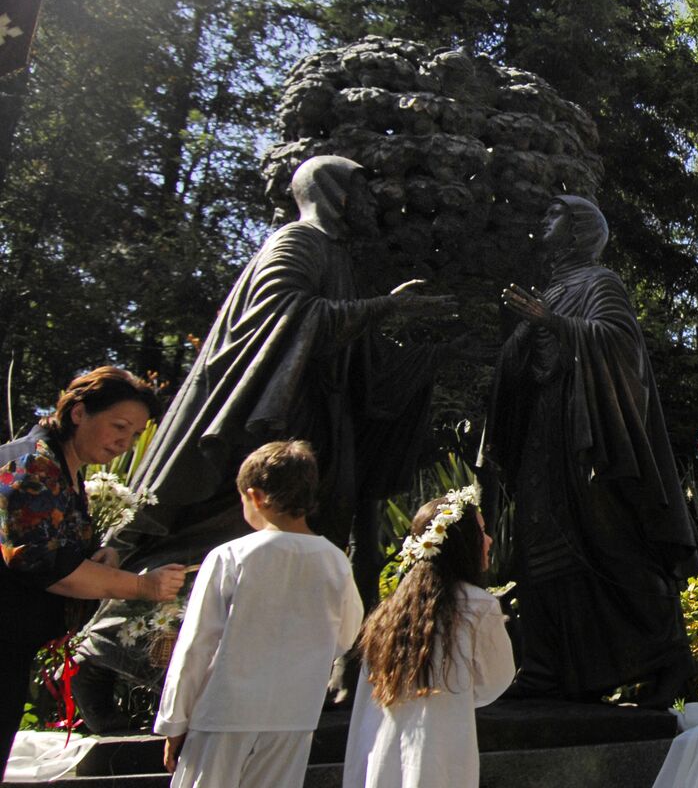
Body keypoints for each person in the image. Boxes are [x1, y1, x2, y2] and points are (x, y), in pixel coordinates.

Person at [78, 156, 449, 722]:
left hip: (310, 436)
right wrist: (384, 307)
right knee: (208, 543)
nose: (375, 203)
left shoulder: (335, 257)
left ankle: (288, 678)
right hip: (257, 433)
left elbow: (347, 355)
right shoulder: (297, 243)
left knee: (285, 564)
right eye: (364, 192)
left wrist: (419, 353)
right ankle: (101, 664)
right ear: (337, 195)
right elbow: (281, 316)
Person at [487, 195, 697, 704]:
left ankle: (668, 657)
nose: (543, 219)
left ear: (580, 230)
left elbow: (619, 344)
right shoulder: (552, 290)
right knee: (541, 552)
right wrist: (521, 340)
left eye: (554, 213)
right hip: (544, 438)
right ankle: (544, 668)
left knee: (608, 545)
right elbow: (525, 366)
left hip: (587, 440)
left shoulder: (598, 282)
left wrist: (554, 322)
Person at [0, 367, 185, 763]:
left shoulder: (65, 471)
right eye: (119, 426)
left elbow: (58, 555)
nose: (125, 442)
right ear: (79, 412)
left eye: (135, 435)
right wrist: (142, 586)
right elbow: (46, 568)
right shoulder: (32, 466)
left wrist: (101, 554)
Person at [155, 440, 363, 787]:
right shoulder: (335, 561)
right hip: (295, 713)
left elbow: (196, 643)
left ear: (256, 497)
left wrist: (174, 721)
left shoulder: (231, 555)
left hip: (224, 712)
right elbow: (346, 634)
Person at [344, 488, 514, 788]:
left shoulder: (389, 613)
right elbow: (497, 679)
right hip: (443, 749)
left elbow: (364, 702)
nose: (488, 542)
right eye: (482, 533)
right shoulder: (477, 606)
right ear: (461, 544)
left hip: (382, 753)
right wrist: (457, 694)